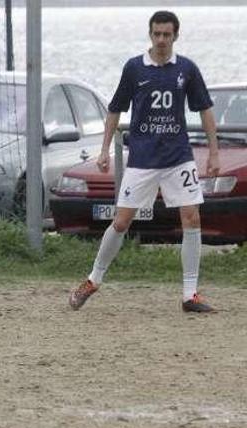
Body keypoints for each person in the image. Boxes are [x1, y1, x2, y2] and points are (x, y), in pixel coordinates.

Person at [69, 10, 220, 313]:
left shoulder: (187, 69)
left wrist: (214, 152)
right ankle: (93, 280)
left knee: (191, 217)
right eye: (156, 34)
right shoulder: (135, 68)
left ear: (175, 35)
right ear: (150, 35)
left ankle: (190, 294)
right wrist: (102, 150)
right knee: (122, 221)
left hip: (178, 157)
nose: (161, 40)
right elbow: (115, 109)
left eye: (167, 34)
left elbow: (204, 109)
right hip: (142, 160)